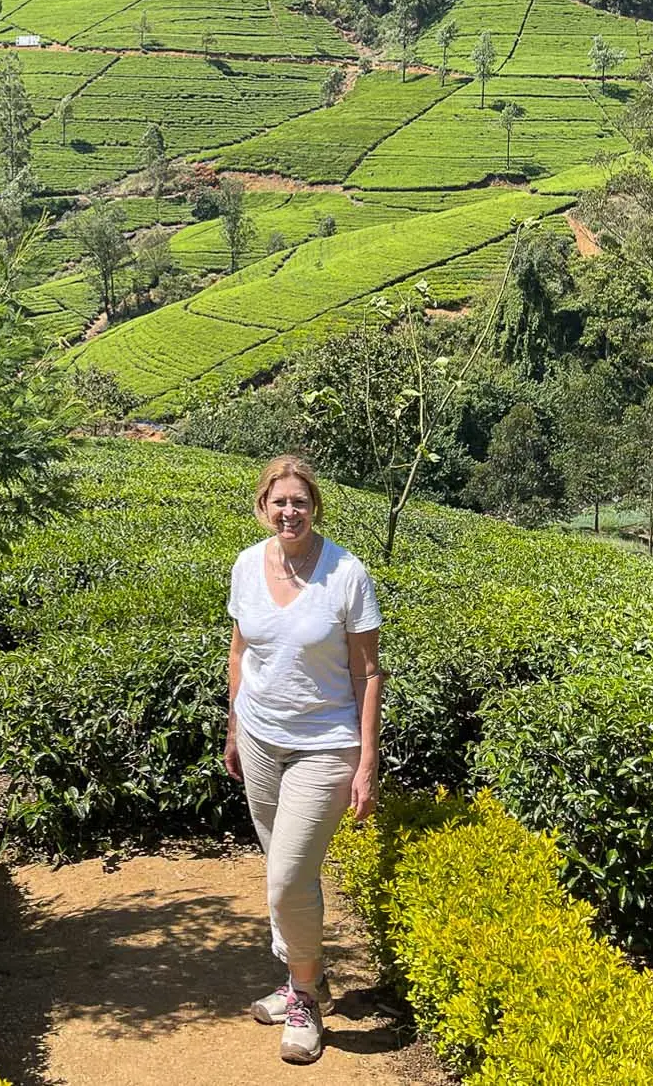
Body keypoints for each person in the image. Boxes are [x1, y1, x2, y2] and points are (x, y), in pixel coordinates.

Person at [224, 455, 382, 1066]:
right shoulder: (245, 564)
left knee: (287, 877)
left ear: (315, 506)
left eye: (300, 501)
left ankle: (307, 999)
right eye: (279, 501)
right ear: (263, 506)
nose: (290, 511)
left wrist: (367, 761)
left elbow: (368, 671)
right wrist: (235, 725)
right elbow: (240, 651)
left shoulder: (347, 574)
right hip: (262, 738)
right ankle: (297, 979)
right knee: (284, 870)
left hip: (325, 744)